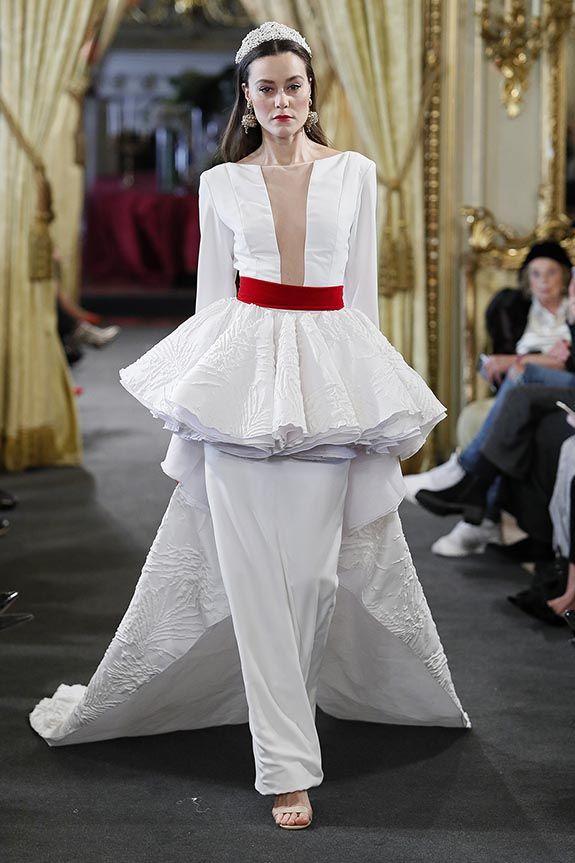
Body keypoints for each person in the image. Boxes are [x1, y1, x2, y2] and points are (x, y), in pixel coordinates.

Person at [29, 22, 470, 831]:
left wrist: (372, 407)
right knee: (253, 583)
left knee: (311, 582)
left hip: (327, 389)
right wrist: (194, 417)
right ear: (246, 97)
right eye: (265, 88)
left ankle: (287, 724)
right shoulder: (221, 184)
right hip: (241, 391)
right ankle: (286, 766)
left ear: (311, 91)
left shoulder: (356, 175)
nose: (281, 100)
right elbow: (212, 303)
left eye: (292, 86)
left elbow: (361, 298)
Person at [406, 241, 575, 557]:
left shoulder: (571, 307)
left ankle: (463, 471)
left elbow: (564, 360)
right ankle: (482, 517)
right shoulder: (520, 310)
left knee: (523, 373)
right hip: (525, 386)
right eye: (536, 274)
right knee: (512, 412)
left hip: (552, 380)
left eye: (552, 273)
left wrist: (517, 362)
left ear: (565, 276)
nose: (544, 281)